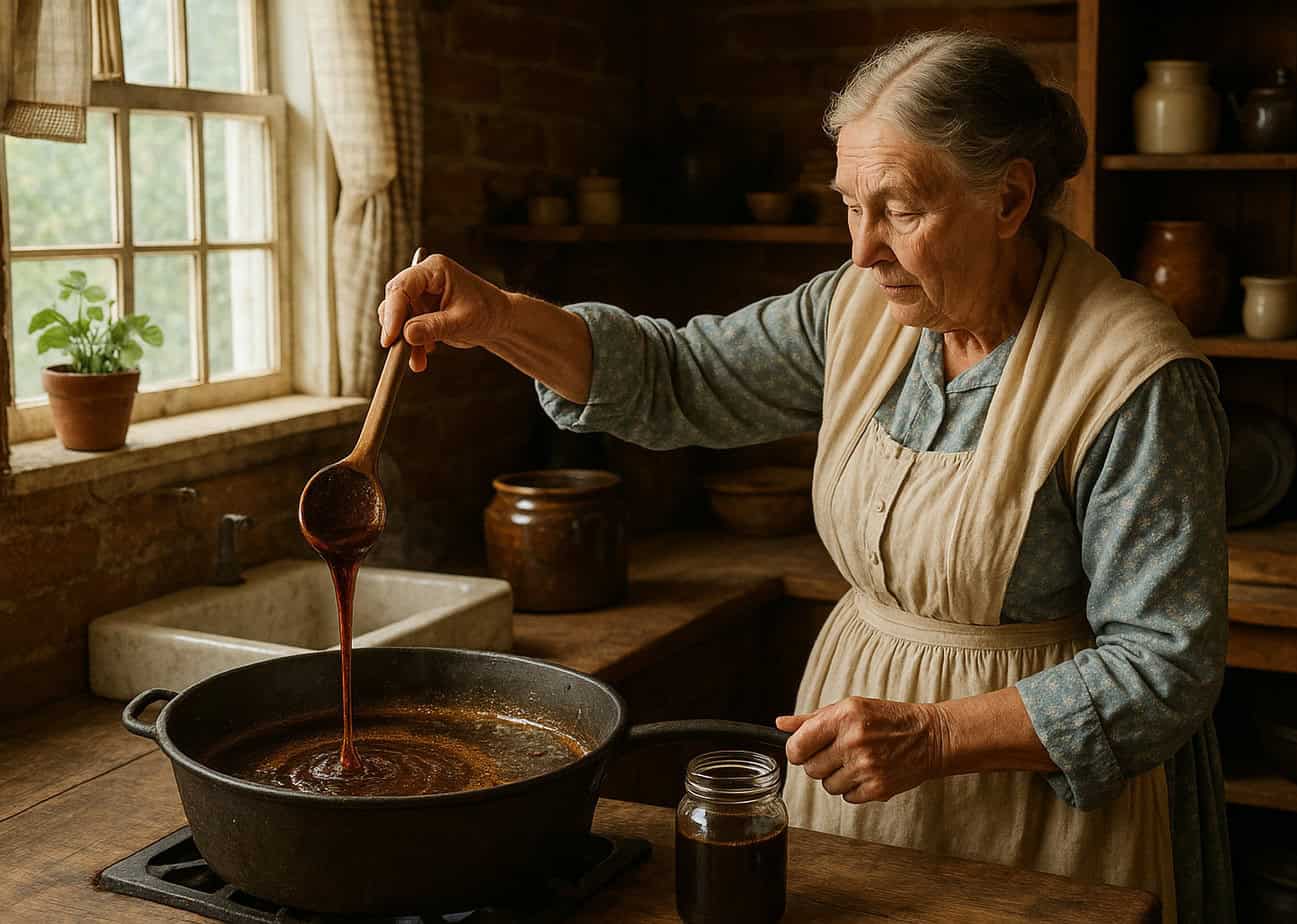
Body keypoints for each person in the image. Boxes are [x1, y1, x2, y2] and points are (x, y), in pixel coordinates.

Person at [378, 31, 1233, 923]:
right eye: (851, 207)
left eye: (899, 209)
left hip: (1043, 804)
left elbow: (1165, 667)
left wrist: (937, 734)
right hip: (862, 769)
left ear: (1010, 196)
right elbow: (680, 376)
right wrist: (503, 319)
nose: (862, 251)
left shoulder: (1134, 377)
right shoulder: (858, 309)